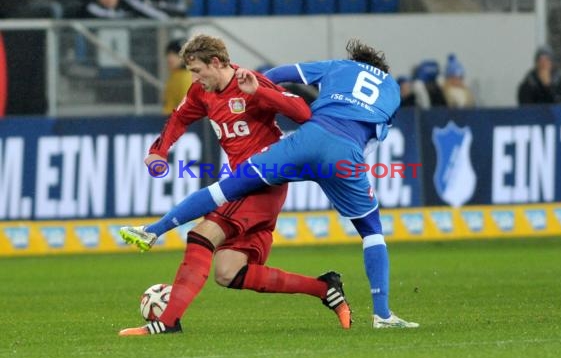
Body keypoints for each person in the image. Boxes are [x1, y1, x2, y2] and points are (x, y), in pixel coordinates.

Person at [120, 39, 419, 330]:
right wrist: (158, 151)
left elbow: (292, 92)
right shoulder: (391, 89)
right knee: (228, 272)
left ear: (214, 62)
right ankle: (342, 296)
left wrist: (259, 88)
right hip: (342, 155)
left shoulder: (339, 67)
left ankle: (166, 310)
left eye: (197, 70)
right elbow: (377, 134)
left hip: (278, 168)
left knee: (203, 232)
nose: (194, 77)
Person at [162, 39, 193, 114]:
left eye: (176, 54)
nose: (170, 57)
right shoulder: (174, 76)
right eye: (169, 53)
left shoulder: (186, 78)